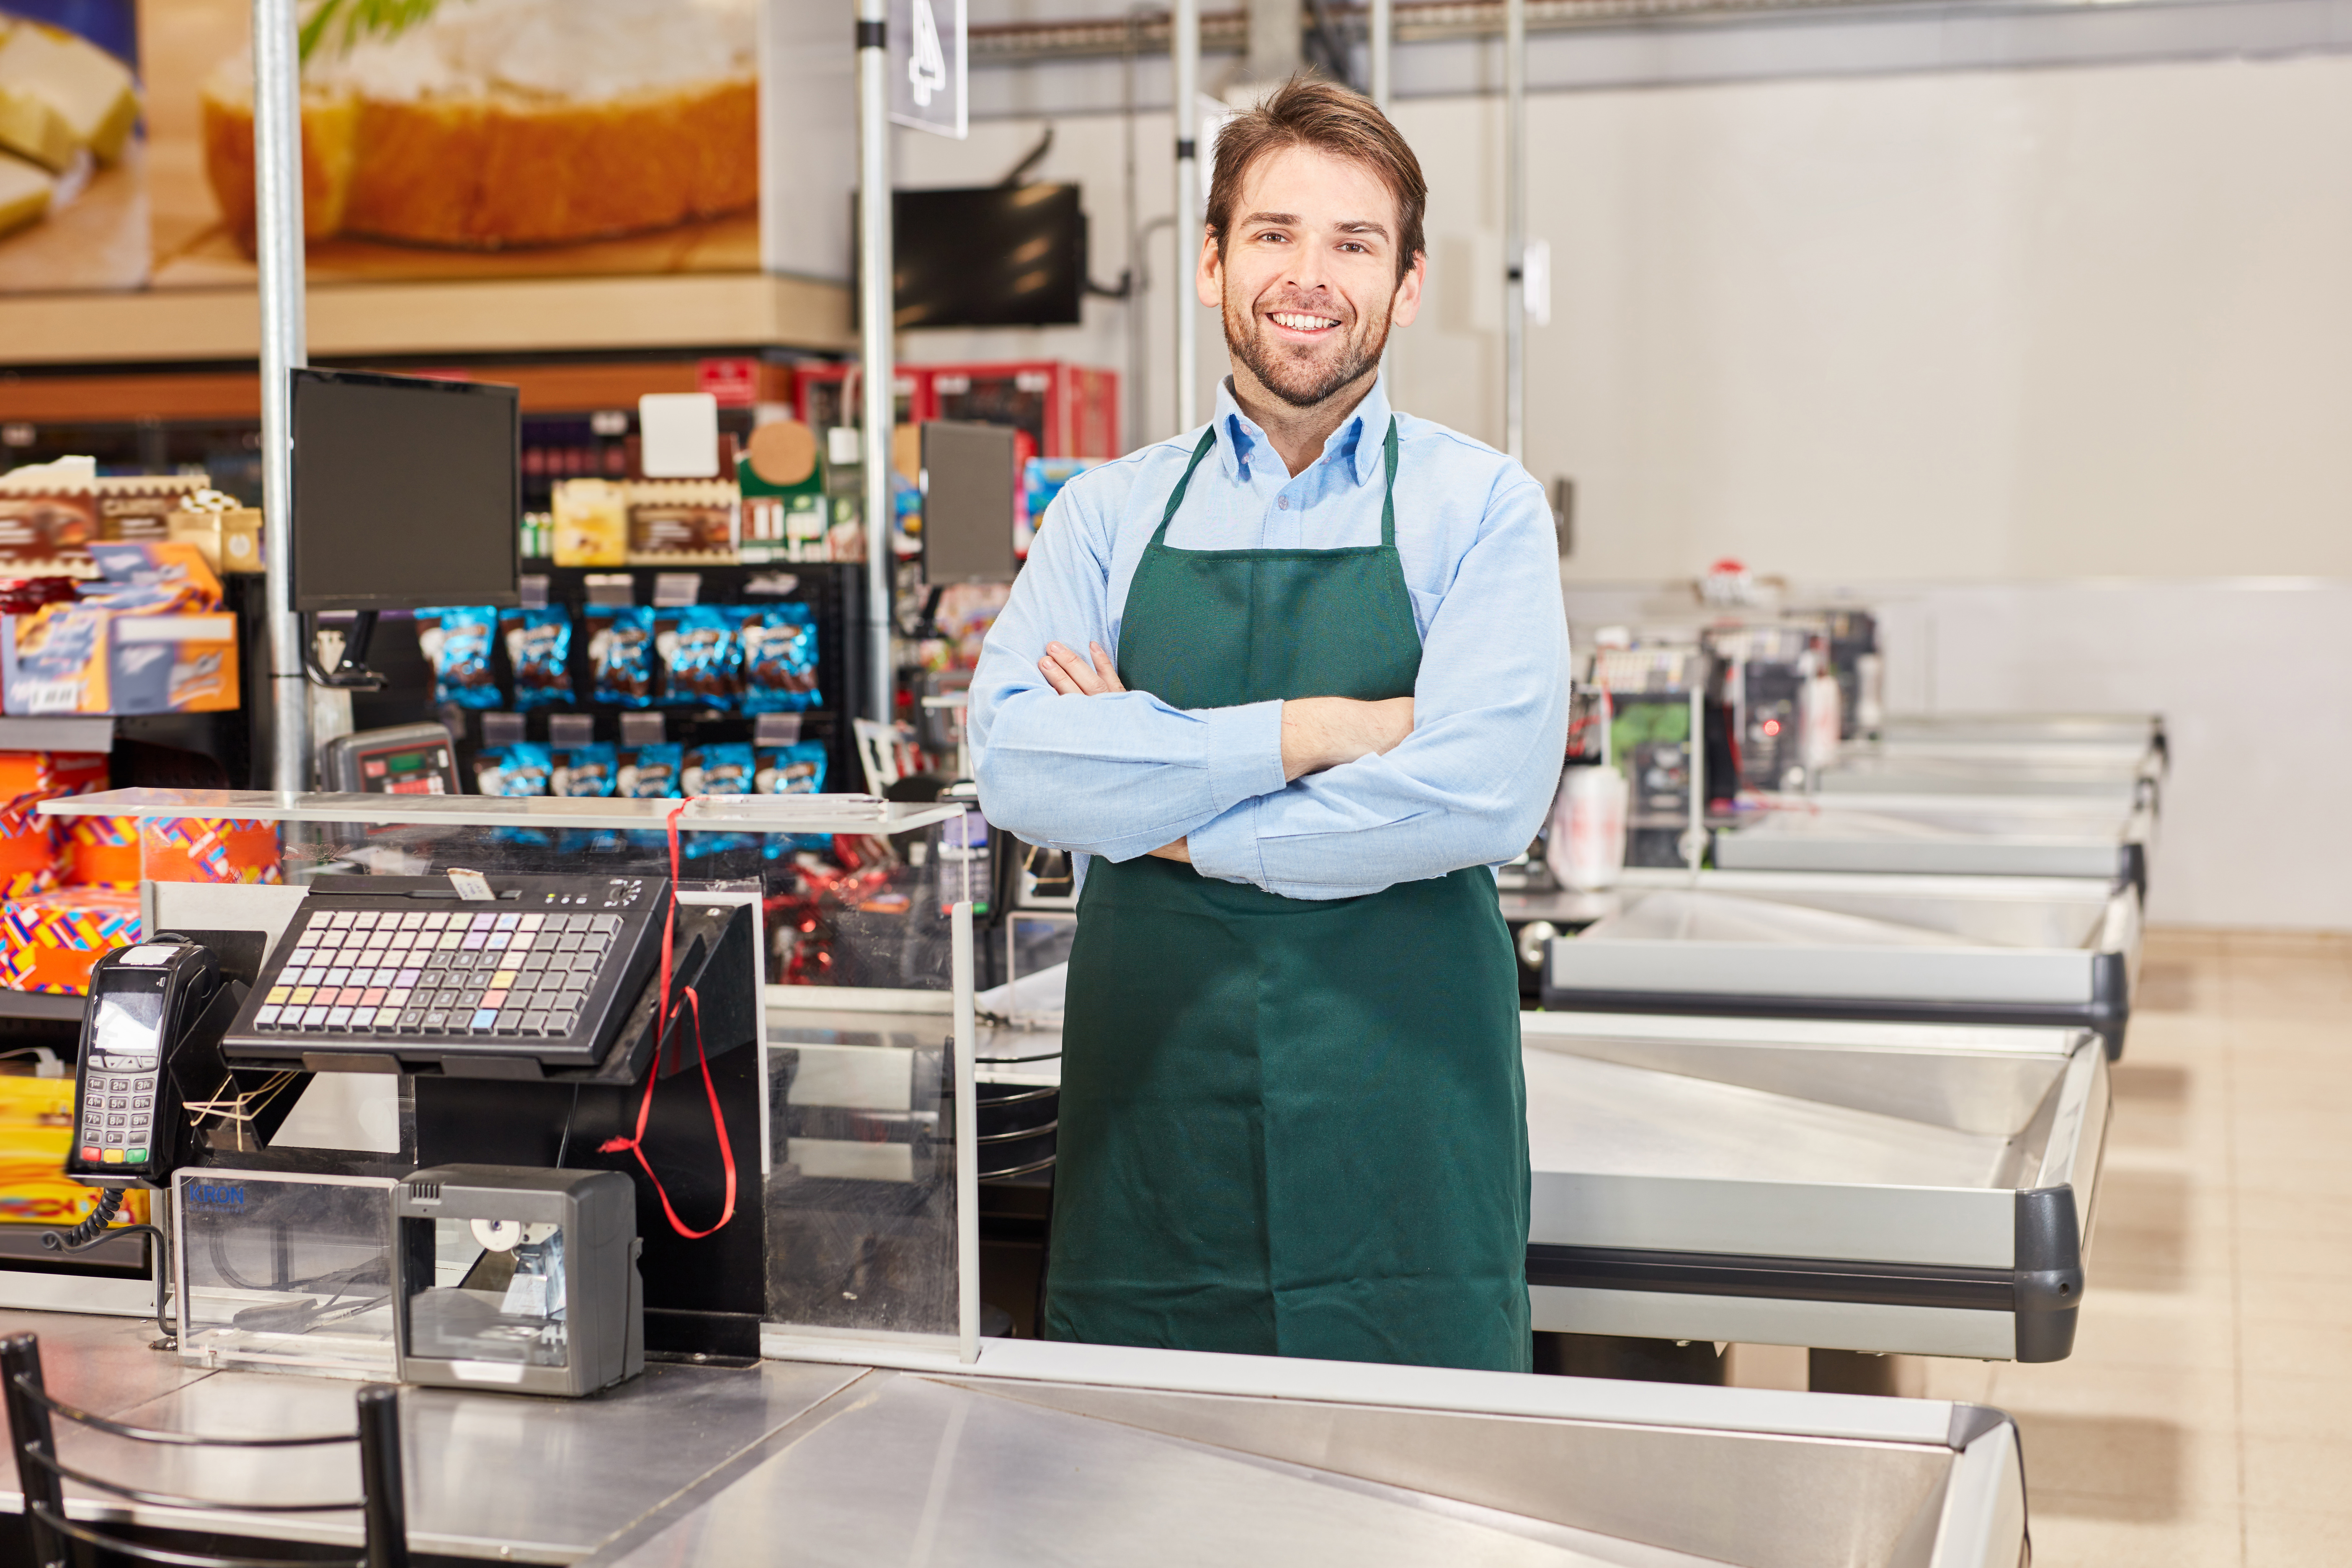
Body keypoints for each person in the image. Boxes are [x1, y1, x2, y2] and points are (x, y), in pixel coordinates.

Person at [969, 74, 1568, 1372]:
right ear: (1211, 265)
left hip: (1405, 1130)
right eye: (1274, 234)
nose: (1312, 275)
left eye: (1355, 242)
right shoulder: (1104, 515)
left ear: (1408, 285)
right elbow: (1017, 761)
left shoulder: (1483, 510)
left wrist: (1169, 812)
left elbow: (1483, 795)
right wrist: (1312, 729)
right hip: (1154, 1136)